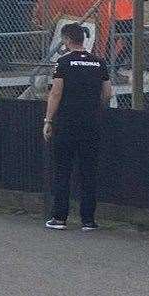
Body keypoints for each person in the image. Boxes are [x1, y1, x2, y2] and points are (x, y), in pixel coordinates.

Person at [43, 23, 112, 230]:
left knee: (63, 170)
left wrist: (48, 120)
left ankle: (59, 217)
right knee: (88, 172)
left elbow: (56, 93)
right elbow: (108, 93)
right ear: (83, 39)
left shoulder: (62, 62)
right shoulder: (99, 63)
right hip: (91, 123)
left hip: (67, 123)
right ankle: (88, 220)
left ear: (66, 40)